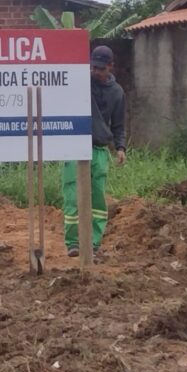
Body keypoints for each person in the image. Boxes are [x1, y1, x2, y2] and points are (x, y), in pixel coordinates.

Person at [62, 45, 126, 258]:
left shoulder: (117, 93)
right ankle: (73, 243)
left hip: (99, 150)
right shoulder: (81, 83)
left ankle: (94, 244)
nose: (96, 72)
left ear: (110, 67)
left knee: (98, 200)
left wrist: (120, 147)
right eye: (93, 67)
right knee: (73, 196)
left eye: (100, 68)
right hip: (74, 147)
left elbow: (118, 124)